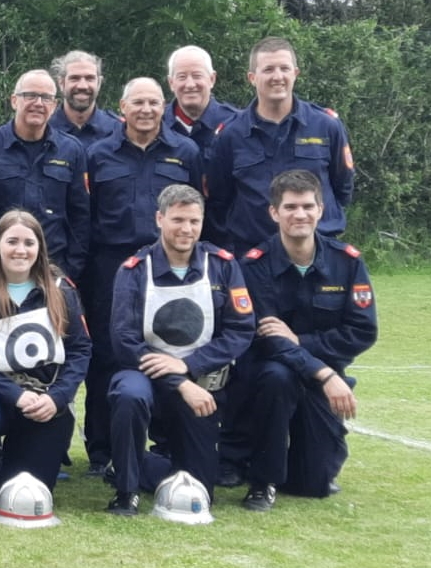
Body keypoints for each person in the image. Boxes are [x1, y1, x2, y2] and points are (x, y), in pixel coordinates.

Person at [105, 185, 255, 515]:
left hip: (200, 379)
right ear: (159, 219)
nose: (186, 229)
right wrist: (179, 381)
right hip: (145, 375)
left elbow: (240, 330)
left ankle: (140, 463)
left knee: (200, 489)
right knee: (128, 394)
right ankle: (125, 490)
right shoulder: (132, 270)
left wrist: (190, 367)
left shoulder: (223, 266)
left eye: (193, 221)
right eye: (177, 220)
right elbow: (124, 340)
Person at [80, 78, 202, 476]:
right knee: (106, 355)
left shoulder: (185, 152)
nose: (146, 109)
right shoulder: (97, 154)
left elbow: (200, 211)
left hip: (169, 266)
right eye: (138, 103)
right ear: (122, 107)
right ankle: (101, 450)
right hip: (111, 265)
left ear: (163, 106)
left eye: (153, 102)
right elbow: (86, 214)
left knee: (172, 347)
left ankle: (165, 443)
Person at [235, 170, 377, 511]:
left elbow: (362, 331)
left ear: (321, 210)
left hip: (320, 376)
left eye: (307, 206)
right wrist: (325, 374)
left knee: (312, 484)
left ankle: (306, 461)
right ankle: (262, 482)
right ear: (274, 213)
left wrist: (301, 341)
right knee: (276, 377)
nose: (299, 214)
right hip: (270, 374)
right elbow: (269, 340)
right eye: (290, 207)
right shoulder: (254, 266)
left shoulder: (347, 263)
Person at [0, 210, 89, 518]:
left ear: (40, 247)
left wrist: (58, 397)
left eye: (28, 242)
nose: (20, 250)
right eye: (12, 241)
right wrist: (15, 394)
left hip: (44, 399)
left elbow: (80, 350)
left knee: (22, 491)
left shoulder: (62, 290)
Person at [207, 37, 354, 251]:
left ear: (295, 73)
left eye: (284, 68)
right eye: (268, 70)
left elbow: (343, 187)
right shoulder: (230, 135)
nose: (277, 77)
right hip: (255, 257)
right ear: (252, 77)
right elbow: (220, 199)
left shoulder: (326, 125)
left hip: (320, 252)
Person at [0, 69, 90, 280]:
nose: (38, 103)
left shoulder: (72, 150)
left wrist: (70, 271)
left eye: (46, 98)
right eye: (30, 96)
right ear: (14, 101)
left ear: (54, 106)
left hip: (53, 269)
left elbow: (80, 218)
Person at [163, 45, 239, 151]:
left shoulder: (235, 123)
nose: (190, 84)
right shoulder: (156, 125)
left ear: (212, 79)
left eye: (197, 76)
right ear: (171, 83)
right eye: (182, 77)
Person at [48, 50, 121, 149]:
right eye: (74, 78)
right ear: (61, 83)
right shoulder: (44, 129)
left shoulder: (118, 130)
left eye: (89, 78)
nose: (82, 86)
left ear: (99, 83)